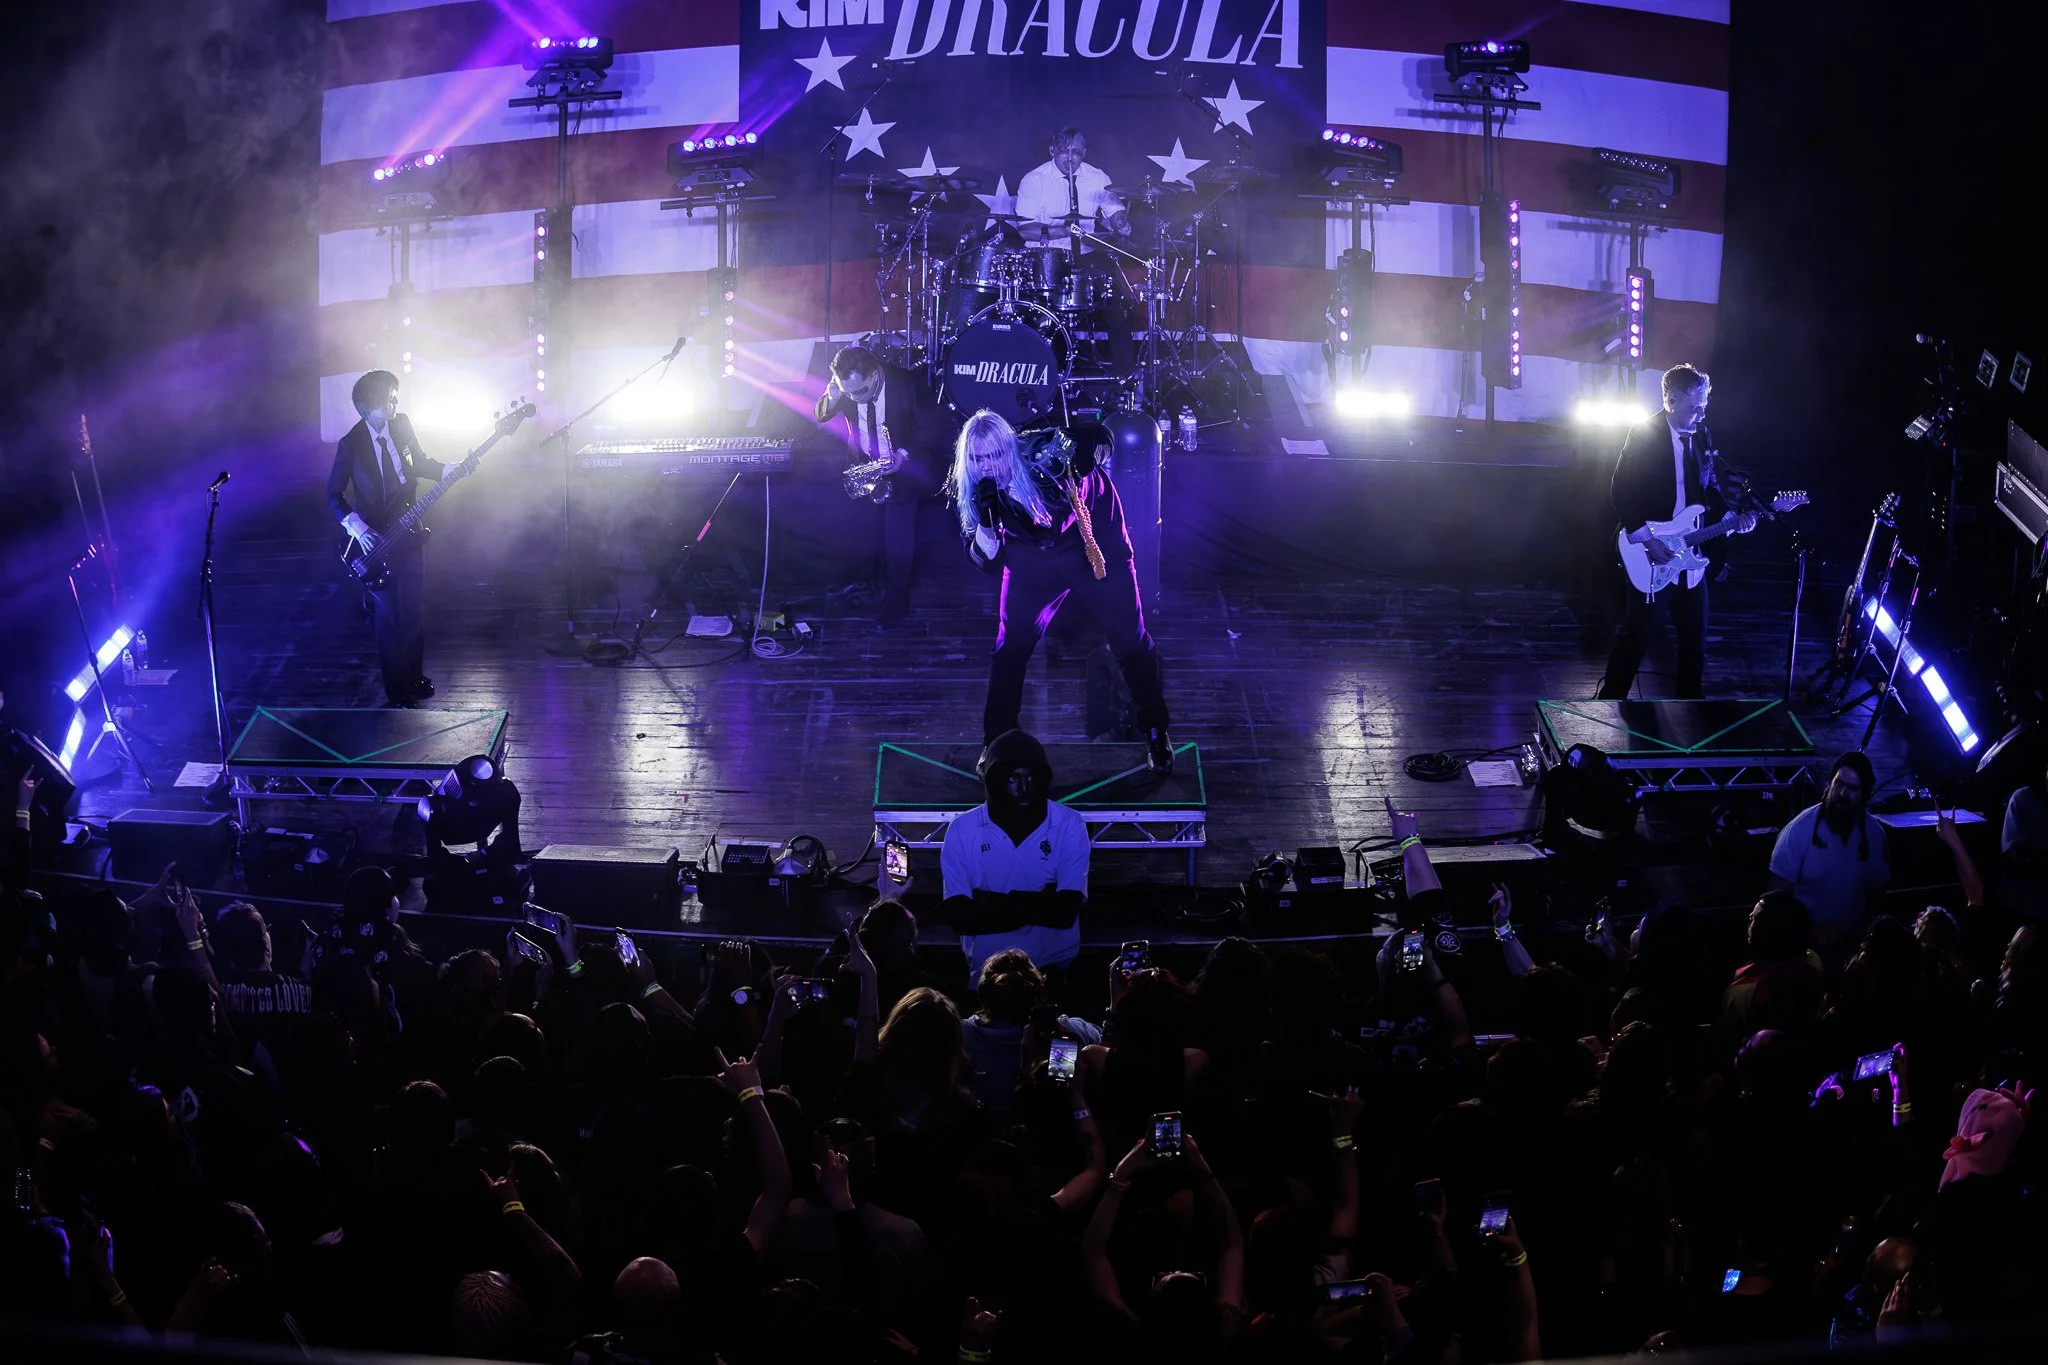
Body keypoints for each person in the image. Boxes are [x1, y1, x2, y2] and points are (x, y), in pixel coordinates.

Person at [952, 409, 1172, 768]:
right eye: (977, 459)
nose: (987, 466)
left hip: (1091, 543)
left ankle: (1156, 730)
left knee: (1130, 639)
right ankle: (996, 742)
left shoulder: (1042, 450)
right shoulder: (969, 488)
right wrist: (988, 525)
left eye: (995, 455)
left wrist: (1091, 454)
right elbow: (984, 563)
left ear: (1011, 448)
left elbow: (1101, 436)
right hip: (1031, 556)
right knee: (1009, 650)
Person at [1596, 363, 1756, 699]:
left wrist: (1730, 517)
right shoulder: (1644, 434)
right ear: (1671, 400)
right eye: (1694, 407)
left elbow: (1709, 489)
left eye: (1704, 406)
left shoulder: (1702, 436)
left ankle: (1689, 709)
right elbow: (1620, 490)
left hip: (1690, 555)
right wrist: (1649, 542)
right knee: (1637, 636)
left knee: (1695, 640)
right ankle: (1608, 703)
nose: (1701, 414)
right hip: (1654, 549)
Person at [325, 370, 445, 708]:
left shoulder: (402, 424)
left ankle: (415, 677)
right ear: (366, 406)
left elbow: (420, 463)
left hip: (410, 528)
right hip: (377, 541)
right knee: (389, 616)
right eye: (389, 398)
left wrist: (449, 469)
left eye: (395, 396)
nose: (395, 403)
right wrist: (359, 529)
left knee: (414, 608)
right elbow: (333, 494)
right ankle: (397, 689)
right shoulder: (351, 443)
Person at [809, 346, 948, 628]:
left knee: (898, 535)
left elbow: (933, 427)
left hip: (903, 465)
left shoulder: (908, 383)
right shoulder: (845, 388)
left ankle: (895, 602)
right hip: (866, 466)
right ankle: (866, 583)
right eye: (847, 393)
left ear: (874, 376)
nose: (853, 398)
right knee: (863, 529)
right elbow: (821, 416)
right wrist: (832, 396)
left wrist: (903, 455)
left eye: (859, 392)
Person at [940, 729, 1088, 984]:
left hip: (1052, 969)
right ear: (995, 780)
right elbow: (960, 918)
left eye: (1031, 778)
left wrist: (989, 901)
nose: (1025, 788)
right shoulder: (962, 830)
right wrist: (1043, 900)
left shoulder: (1069, 823)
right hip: (986, 973)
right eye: (1014, 778)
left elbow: (1065, 912)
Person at [1014, 126, 1136, 371]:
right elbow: (1026, 230)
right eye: (1064, 151)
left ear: (1084, 153)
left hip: (1087, 256)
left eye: (1076, 152)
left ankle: (1125, 375)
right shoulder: (1034, 180)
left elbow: (1114, 210)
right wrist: (1066, 231)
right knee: (1045, 316)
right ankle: (1048, 370)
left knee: (1116, 301)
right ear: (1052, 151)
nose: (1070, 158)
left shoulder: (1097, 177)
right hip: (1047, 259)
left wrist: (1120, 222)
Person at [1767, 751, 1891, 957]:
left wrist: (1864, 933)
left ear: (1865, 794)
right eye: (1838, 784)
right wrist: (1810, 930)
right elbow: (1774, 901)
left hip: (1854, 949)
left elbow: (1878, 896)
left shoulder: (1875, 835)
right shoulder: (1798, 831)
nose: (1842, 793)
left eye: (1852, 788)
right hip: (1804, 948)